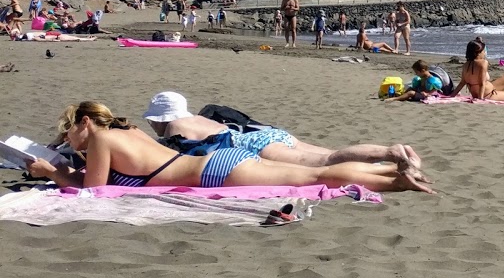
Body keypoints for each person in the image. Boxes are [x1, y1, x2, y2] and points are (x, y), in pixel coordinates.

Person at [26, 101, 431, 193]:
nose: (67, 141)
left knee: (315, 176)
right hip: (220, 159)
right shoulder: (125, 130)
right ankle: (394, 173)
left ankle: (396, 182)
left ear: (84, 123)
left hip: (211, 171)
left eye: (66, 134)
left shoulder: (98, 139)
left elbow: (94, 189)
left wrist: (52, 171)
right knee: (315, 171)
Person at [142, 91, 423, 175]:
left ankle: (391, 153)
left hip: (255, 146)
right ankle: (396, 160)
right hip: (268, 134)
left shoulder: (175, 127)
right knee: (328, 154)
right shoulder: (197, 118)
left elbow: (173, 157)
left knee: (327, 162)